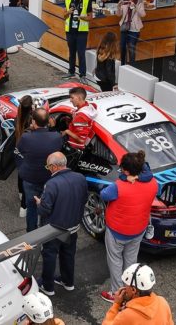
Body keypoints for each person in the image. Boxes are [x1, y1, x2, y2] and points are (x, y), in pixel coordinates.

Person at [100, 151, 159, 300]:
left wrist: (123, 178)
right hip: (138, 229)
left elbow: (104, 195)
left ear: (126, 171)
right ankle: (131, 290)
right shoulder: (153, 182)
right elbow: (148, 171)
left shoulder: (118, 186)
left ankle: (116, 293)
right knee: (131, 260)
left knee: (115, 260)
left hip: (117, 231)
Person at [36, 152, 88, 296]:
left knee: (50, 255)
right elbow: (84, 199)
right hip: (73, 227)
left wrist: (39, 203)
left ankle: (48, 286)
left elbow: (44, 210)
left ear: (53, 166)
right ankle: (68, 281)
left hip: (54, 229)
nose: (48, 169)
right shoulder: (80, 178)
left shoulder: (51, 184)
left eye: (48, 166)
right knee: (68, 254)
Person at [18, 107, 64, 232]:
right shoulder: (56, 137)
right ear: (49, 121)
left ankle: (31, 233)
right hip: (50, 179)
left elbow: (21, 150)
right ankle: (44, 232)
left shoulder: (26, 138)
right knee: (47, 206)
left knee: (31, 207)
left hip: (30, 178)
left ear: (33, 122)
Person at [100, 263, 174, 325]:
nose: (124, 288)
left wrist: (116, 304)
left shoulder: (127, 315)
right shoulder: (163, 302)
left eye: (126, 285)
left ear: (133, 290)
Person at [63, 0, 91, 80]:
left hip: (82, 32)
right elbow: (64, 16)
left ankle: (82, 75)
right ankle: (71, 72)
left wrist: (83, 18)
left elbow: (90, 17)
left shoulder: (87, 0)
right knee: (71, 52)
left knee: (81, 53)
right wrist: (68, 12)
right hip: (70, 30)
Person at [116, 0, 146, 66]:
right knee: (122, 47)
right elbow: (118, 14)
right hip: (125, 28)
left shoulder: (139, 4)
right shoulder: (125, 3)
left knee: (131, 49)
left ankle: (132, 68)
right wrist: (119, 6)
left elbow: (143, 15)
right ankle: (123, 65)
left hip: (134, 30)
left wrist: (135, 7)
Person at [65, 86, 97, 152]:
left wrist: (66, 131)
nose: (70, 100)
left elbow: (81, 139)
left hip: (74, 147)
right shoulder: (90, 106)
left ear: (79, 98)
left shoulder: (80, 116)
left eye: (72, 98)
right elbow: (95, 105)